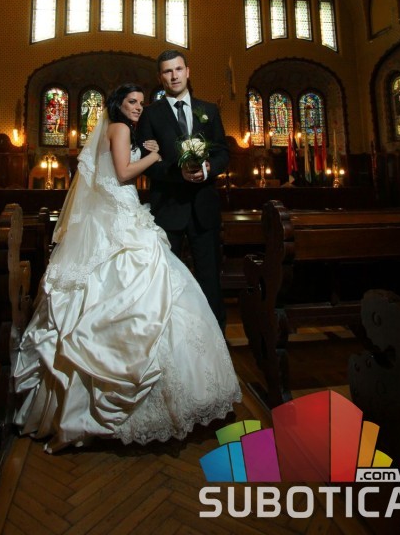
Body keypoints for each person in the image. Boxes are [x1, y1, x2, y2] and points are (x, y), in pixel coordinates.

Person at [13, 83, 241, 452]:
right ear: (118, 104)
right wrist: (154, 155)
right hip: (118, 218)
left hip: (122, 212)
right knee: (138, 292)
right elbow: (122, 174)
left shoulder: (119, 130)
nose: (138, 108)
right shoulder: (119, 129)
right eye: (132, 102)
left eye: (141, 103)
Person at [137, 50, 229, 332]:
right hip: (168, 208)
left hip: (204, 208)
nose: (174, 76)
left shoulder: (209, 110)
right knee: (168, 281)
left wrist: (208, 169)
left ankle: (216, 339)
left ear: (187, 72)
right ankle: (172, 339)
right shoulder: (150, 114)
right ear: (160, 77)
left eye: (178, 69)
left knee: (210, 279)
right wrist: (178, 173)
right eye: (167, 71)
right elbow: (147, 163)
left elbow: (223, 152)